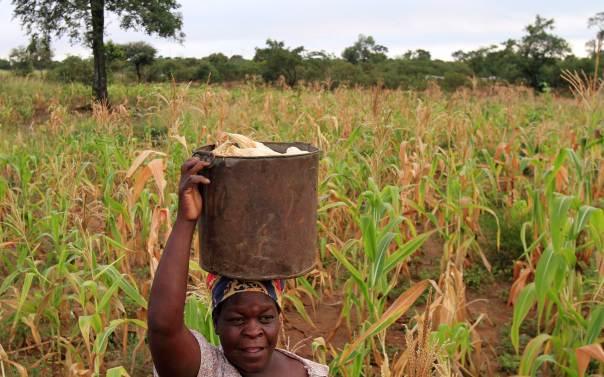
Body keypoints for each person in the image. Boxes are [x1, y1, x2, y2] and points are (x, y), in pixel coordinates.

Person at [148, 157, 329, 377]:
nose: (253, 331)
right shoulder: (208, 370)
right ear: (216, 322)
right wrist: (186, 220)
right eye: (237, 320)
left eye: (265, 318)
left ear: (279, 319)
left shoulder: (308, 373)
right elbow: (163, 327)